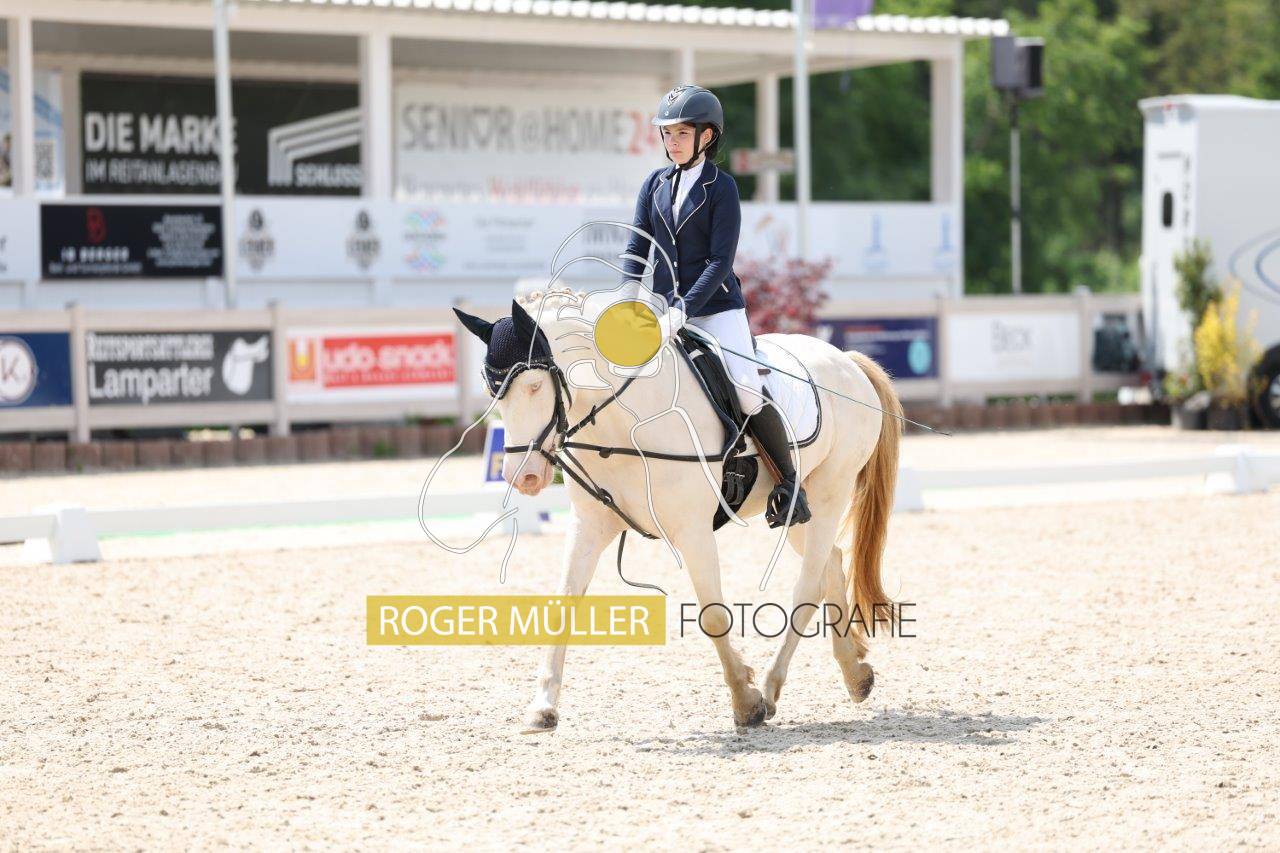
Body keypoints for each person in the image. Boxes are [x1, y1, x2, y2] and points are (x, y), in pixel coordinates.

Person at [619, 83, 810, 528]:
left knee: (745, 390)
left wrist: (682, 309)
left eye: (682, 133)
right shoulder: (654, 184)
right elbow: (636, 247)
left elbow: (719, 262)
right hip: (663, 308)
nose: (672, 142)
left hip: (716, 308)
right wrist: (626, 297)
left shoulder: (722, 188)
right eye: (667, 133)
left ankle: (789, 484)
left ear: (706, 136)